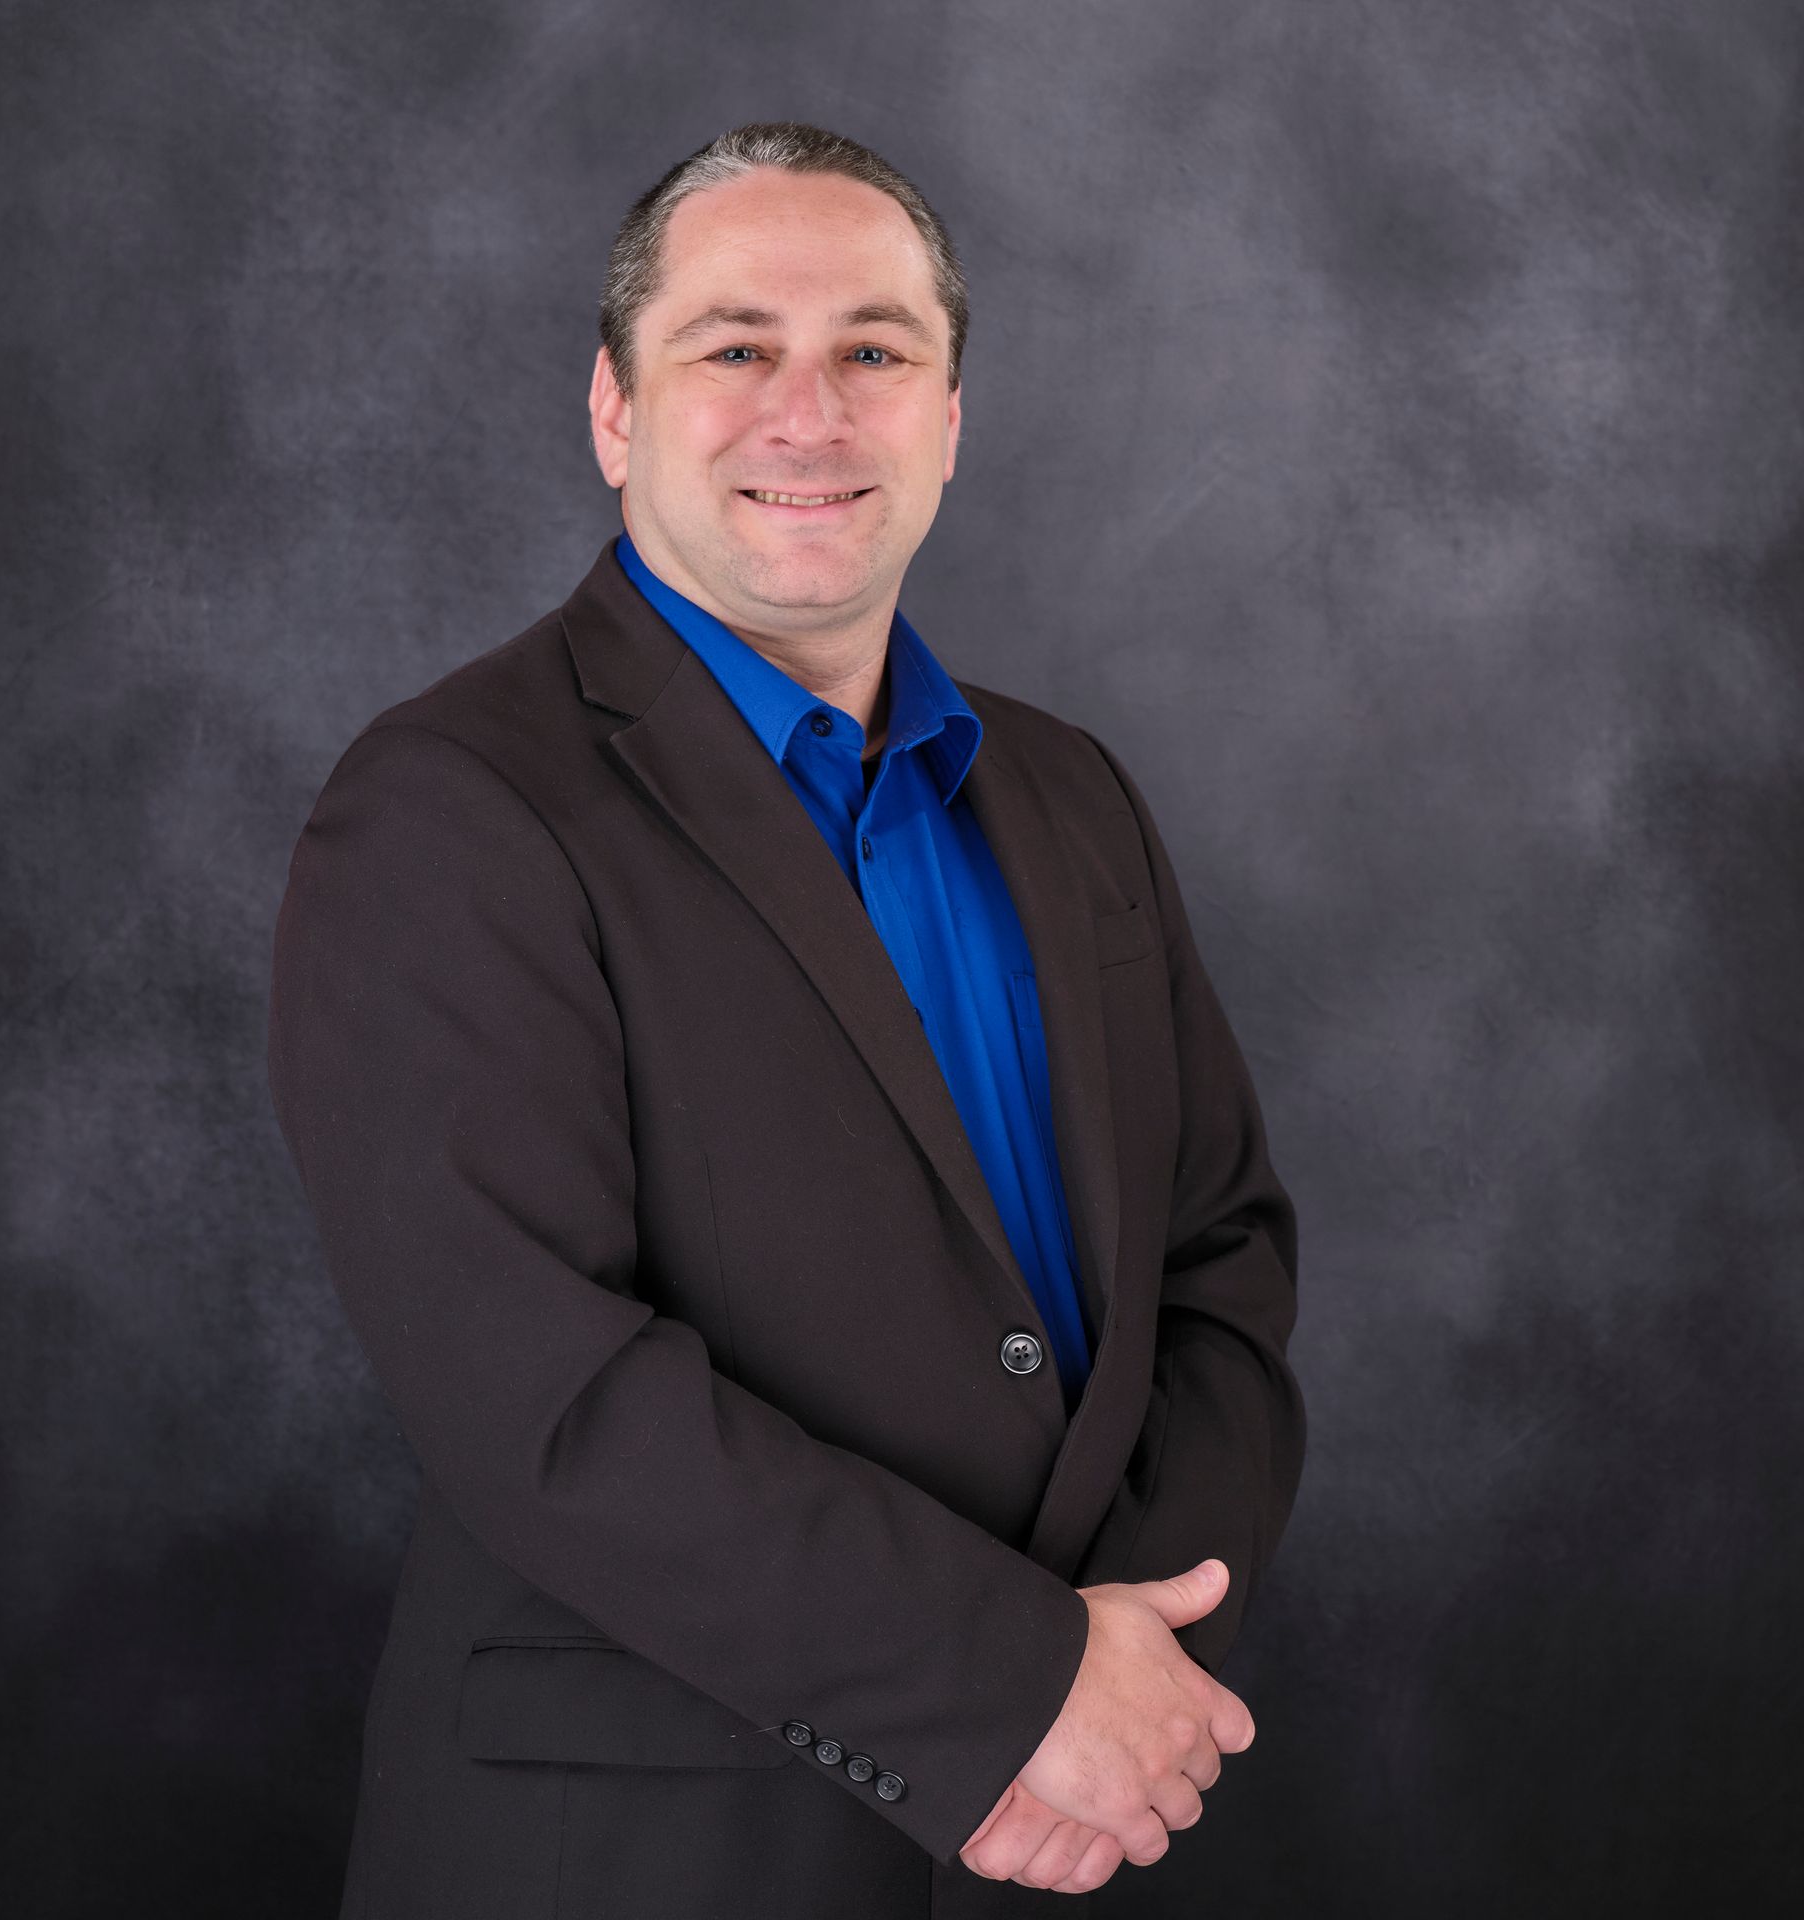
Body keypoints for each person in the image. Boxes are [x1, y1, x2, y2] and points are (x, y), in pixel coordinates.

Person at [267, 119, 1305, 1919]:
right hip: (639, 1855)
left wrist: (1131, 1669)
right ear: (615, 410)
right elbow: (540, 1389)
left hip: (1089, 1820)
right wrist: (1017, 1693)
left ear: (950, 420)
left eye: (874, 352)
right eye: (735, 346)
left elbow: (1219, 1262)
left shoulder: (1073, 796)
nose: (808, 414)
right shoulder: (451, 805)